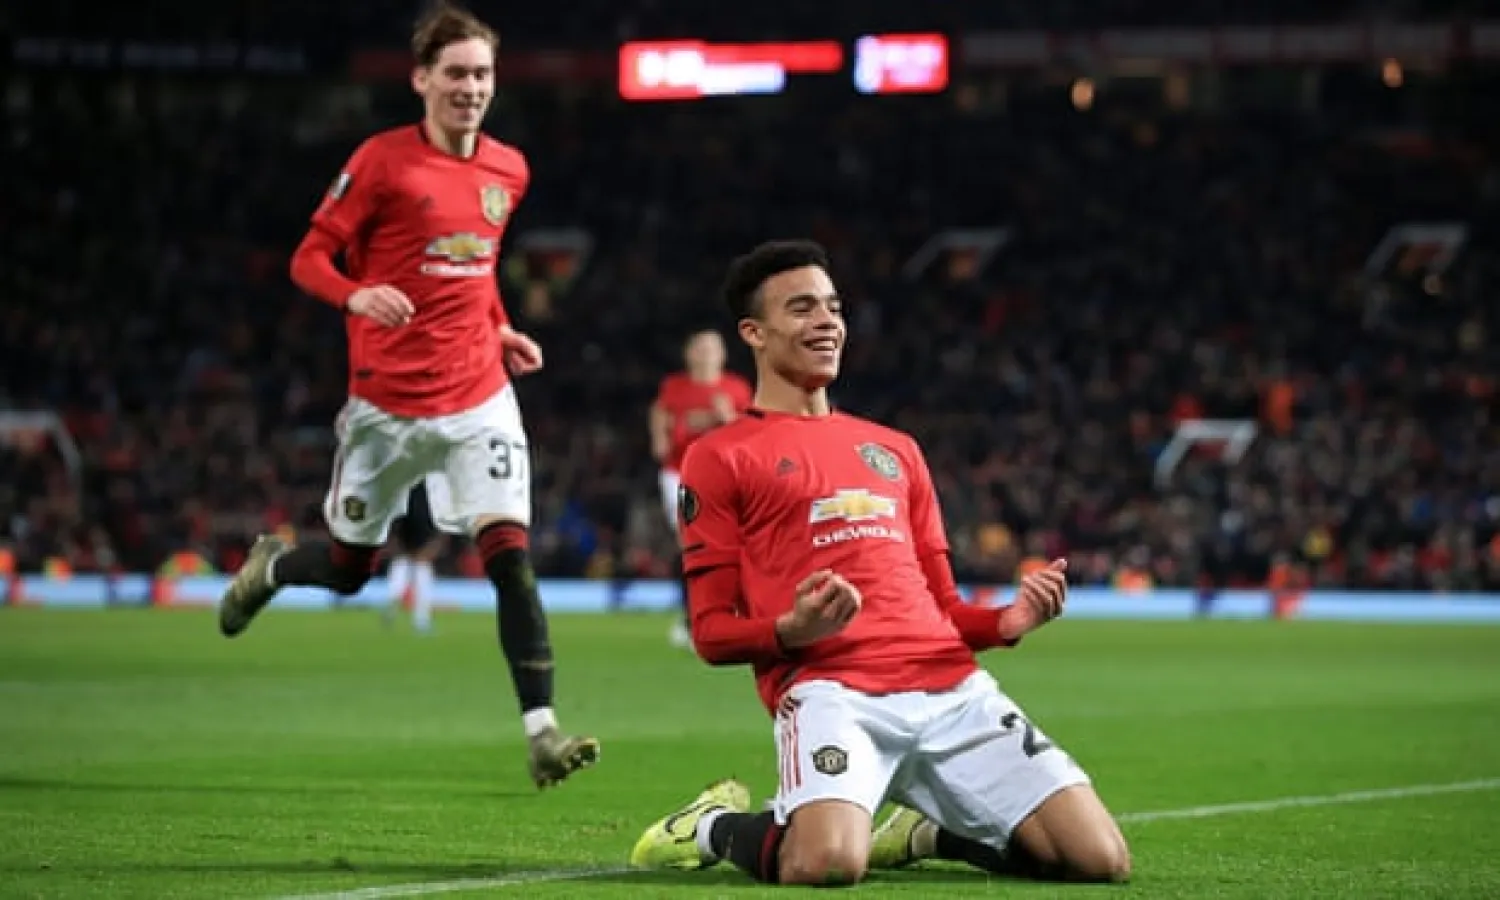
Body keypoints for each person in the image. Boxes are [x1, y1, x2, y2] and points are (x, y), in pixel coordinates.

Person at [628, 240, 1130, 884]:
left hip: (952, 691)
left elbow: (945, 608)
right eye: (802, 308)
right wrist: (790, 632)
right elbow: (711, 633)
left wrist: (1006, 622)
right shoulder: (721, 455)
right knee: (826, 862)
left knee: (1098, 860)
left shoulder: (895, 450)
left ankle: (928, 832)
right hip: (834, 691)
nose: (827, 322)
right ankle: (709, 826)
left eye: (833, 307)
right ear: (753, 332)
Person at [216, 2, 599, 790]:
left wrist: (499, 328)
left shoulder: (509, 169)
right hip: (385, 406)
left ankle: (542, 731)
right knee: (354, 568)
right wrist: (354, 296)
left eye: (482, 74)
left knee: (509, 556)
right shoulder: (383, 163)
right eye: (455, 73)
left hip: (477, 396)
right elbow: (309, 257)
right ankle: (274, 571)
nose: (470, 87)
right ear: (422, 79)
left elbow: (477, 267)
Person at [649, 329, 752, 647]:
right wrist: (661, 437)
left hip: (723, 478)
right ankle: (692, 618)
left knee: (729, 545)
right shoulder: (675, 387)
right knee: (692, 545)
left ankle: (728, 613)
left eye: (712, 348)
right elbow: (661, 416)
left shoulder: (737, 388)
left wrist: (726, 418)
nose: (706, 353)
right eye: (700, 347)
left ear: (722, 354)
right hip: (679, 475)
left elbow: (750, 433)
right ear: (689, 353)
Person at [383, 482, 445, 633]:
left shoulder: (405, 500)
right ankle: (418, 621)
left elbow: (396, 530)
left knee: (405, 589)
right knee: (409, 588)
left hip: (414, 554)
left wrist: (426, 552)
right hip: (411, 555)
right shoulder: (428, 503)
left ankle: (416, 620)